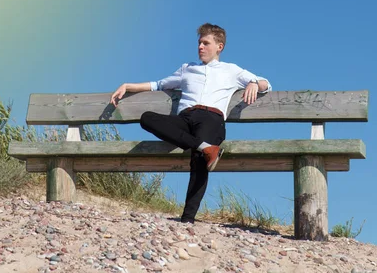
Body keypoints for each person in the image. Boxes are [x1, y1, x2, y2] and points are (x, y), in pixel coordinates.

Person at [110, 23, 271, 223]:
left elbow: (266, 83)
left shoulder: (231, 70)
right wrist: (128, 85)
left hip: (211, 119)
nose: (200, 47)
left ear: (219, 46)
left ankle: (187, 219)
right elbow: (159, 84)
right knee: (147, 119)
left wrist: (254, 82)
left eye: (206, 43)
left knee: (199, 160)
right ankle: (205, 148)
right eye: (199, 43)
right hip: (185, 119)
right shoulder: (187, 69)